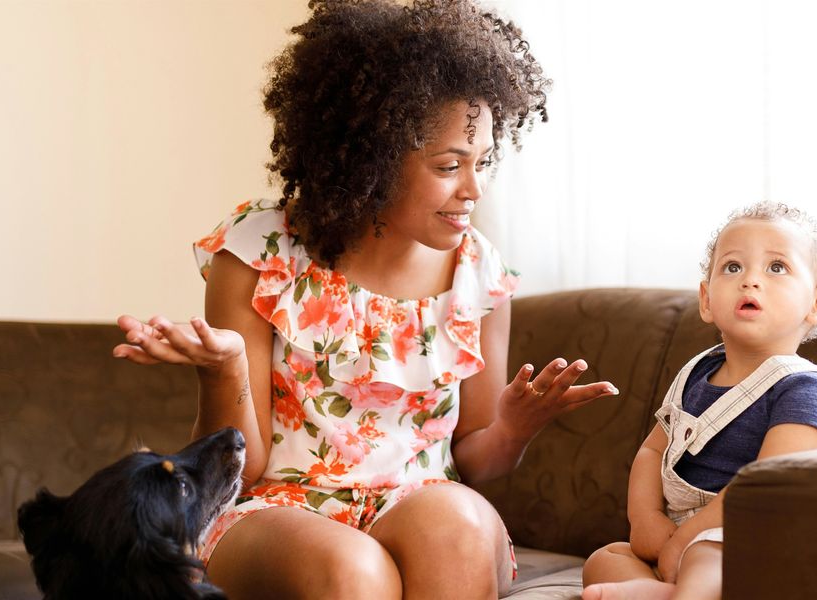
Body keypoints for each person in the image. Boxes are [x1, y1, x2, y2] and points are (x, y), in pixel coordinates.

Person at [112, 1, 618, 598]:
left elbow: (476, 462)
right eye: (449, 165)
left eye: (482, 162)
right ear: (370, 159)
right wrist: (221, 369)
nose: (473, 189)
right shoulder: (260, 251)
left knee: (459, 525)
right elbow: (238, 470)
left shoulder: (480, 274)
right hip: (273, 510)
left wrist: (512, 426)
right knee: (356, 571)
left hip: (418, 502)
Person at [580, 201, 817, 600]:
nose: (750, 281)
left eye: (776, 267)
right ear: (706, 299)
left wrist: (689, 537)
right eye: (733, 267)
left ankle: (677, 595)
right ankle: (668, 591)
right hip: (675, 538)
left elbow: (765, 485)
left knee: (708, 555)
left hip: (751, 537)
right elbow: (653, 451)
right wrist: (646, 519)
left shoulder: (804, 390)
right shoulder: (695, 375)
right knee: (606, 558)